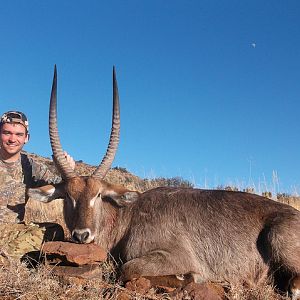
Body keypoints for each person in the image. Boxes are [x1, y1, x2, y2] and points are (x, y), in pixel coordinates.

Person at [0, 110, 75, 223]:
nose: (12, 139)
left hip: (12, 232)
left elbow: (62, 188)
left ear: (26, 138)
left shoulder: (32, 167)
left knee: (55, 230)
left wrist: (67, 172)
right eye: (7, 133)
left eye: (19, 134)